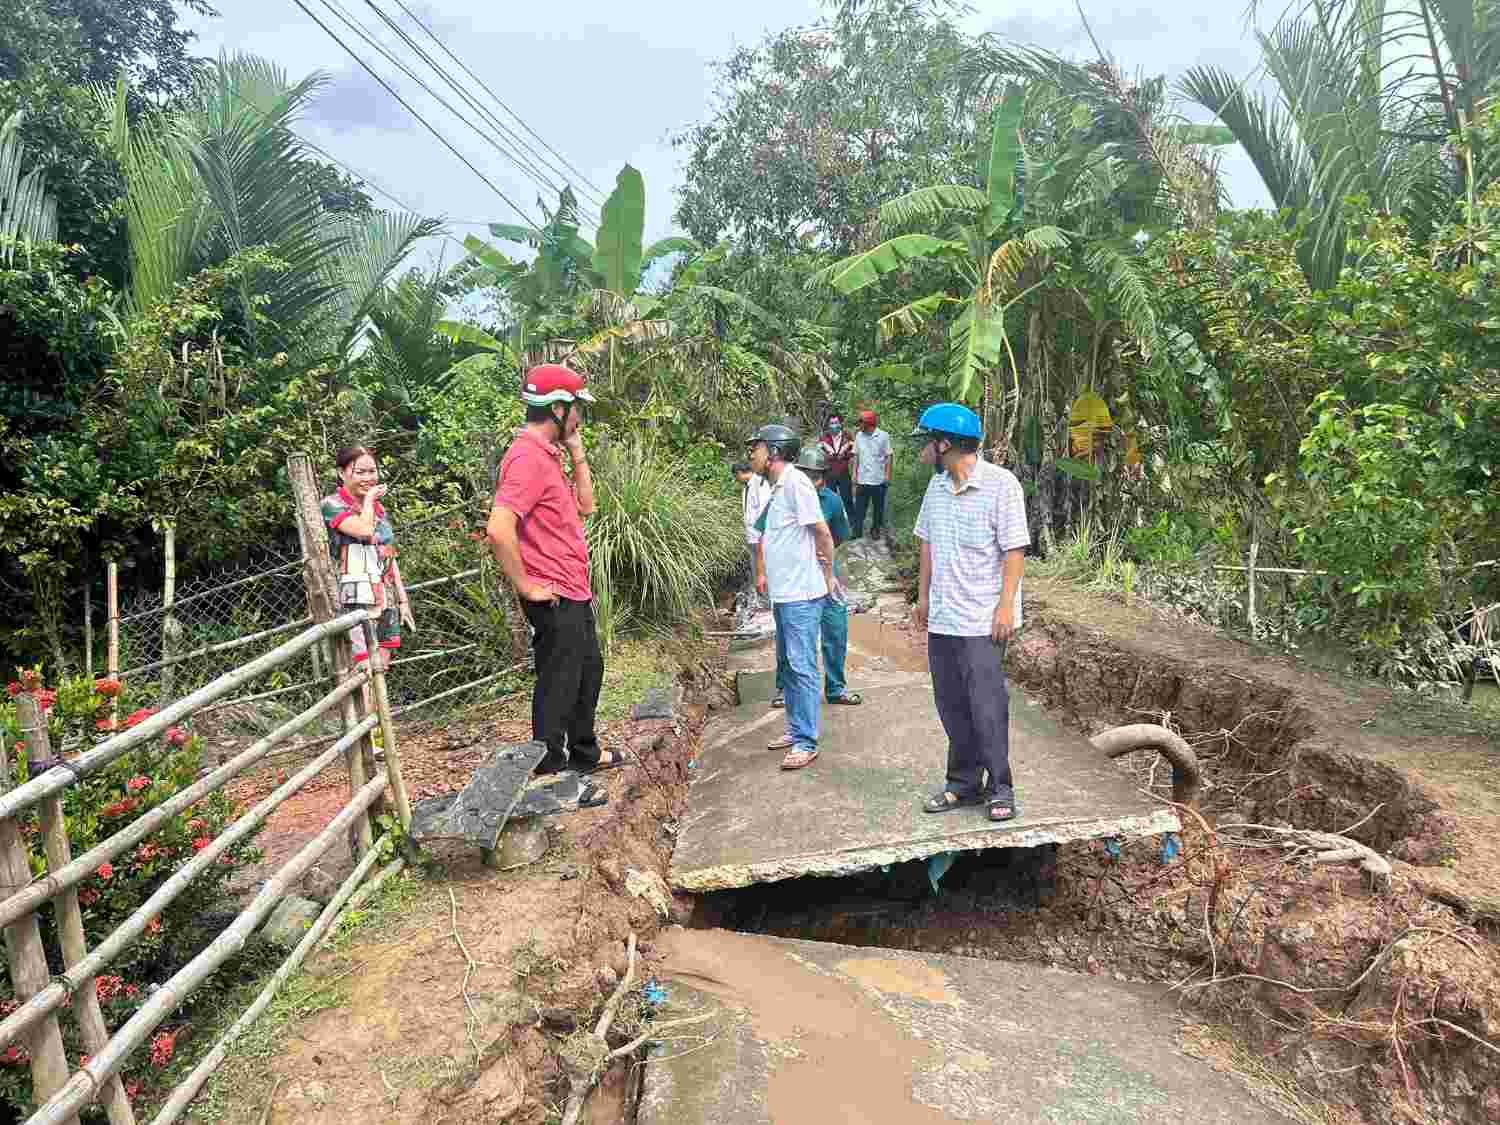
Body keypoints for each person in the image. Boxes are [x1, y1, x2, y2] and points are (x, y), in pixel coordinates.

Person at [486, 363, 630, 776]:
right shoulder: (527, 458)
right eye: (577, 408)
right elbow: (499, 529)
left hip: (572, 586)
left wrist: (577, 453)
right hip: (552, 592)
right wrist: (526, 585)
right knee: (559, 678)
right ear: (558, 408)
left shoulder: (549, 456)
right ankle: (548, 765)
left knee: (588, 668)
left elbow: (587, 507)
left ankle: (584, 751)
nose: (581, 418)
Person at [911, 403, 1029, 823]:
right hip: (944, 616)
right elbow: (926, 544)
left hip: (983, 619)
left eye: (928, 440)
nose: (924, 448)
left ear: (947, 442)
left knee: (987, 706)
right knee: (952, 705)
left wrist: (1004, 607)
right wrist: (922, 598)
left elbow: (1014, 550)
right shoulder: (937, 488)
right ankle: (962, 784)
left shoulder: (1001, 485)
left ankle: (1001, 788)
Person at [749, 423, 835, 770]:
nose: (751, 455)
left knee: (802, 667)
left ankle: (806, 740)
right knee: (790, 666)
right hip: (785, 594)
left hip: (801, 593)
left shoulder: (796, 483)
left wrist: (828, 577)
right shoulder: (776, 486)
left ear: (773, 452)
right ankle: (797, 728)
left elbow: (822, 532)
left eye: (756, 449)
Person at [322, 446, 414, 706]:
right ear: (342, 473)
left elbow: (388, 554)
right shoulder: (332, 505)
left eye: (372, 471)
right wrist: (370, 500)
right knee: (363, 669)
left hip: (386, 596)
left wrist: (403, 599)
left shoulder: (380, 511)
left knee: (381, 665)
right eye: (359, 472)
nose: (367, 478)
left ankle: (380, 734)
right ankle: (369, 735)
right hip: (354, 597)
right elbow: (362, 530)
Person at [850, 409, 893, 541]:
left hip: (878, 479)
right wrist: (854, 473)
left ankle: (875, 530)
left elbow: (889, 456)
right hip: (862, 479)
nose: (859, 426)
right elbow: (856, 455)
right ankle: (857, 532)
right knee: (859, 508)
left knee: (878, 508)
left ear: (869, 423)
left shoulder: (883, 436)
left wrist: (887, 475)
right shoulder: (859, 436)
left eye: (861, 423)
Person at [734, 460, 772, 603]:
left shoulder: (761, 484)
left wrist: (760, 535)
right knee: (755, 568)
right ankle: (762, 599)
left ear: (739, 473)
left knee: (764, 568)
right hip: (751, 536)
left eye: (736, 476)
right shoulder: (746, 487)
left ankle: (768, 599)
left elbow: (763, 512)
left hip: (760, 536)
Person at [817, 415, 855, 512]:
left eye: (836, 423)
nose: (834, 425)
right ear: (828, 425)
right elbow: (818, 454)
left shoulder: (847, 436)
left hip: (844, 472)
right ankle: (832, 523)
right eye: (832, 423)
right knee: (830, 500)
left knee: (847, 499)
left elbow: (854, 452)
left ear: (840, 424)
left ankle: (852, 523)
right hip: (829, 473)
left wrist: (845, 451)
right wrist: (825, 450)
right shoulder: (824, 436)